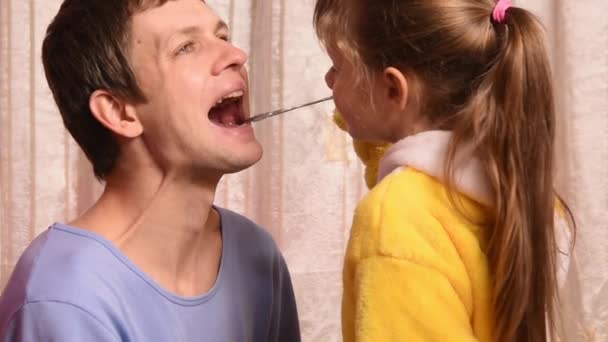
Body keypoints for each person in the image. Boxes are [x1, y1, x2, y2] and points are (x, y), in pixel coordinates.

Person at [0, 0, 300, 341]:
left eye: (222, 36)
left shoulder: (257, 255)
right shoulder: (62, 301)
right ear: (120, 112)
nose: (235, 54)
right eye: (186, 47)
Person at [314, 0, 574, 340]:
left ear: (394, 89)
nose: (328, 79)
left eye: (338, 67)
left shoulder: (396, 215)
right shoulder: (521, 192)